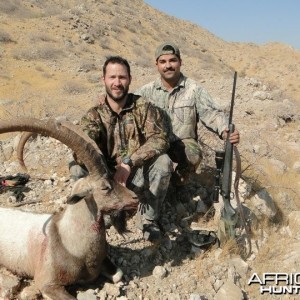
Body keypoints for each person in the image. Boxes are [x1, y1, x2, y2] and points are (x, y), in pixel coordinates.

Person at [70, 56, 173, 243]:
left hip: (136, 176)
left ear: (130, 79)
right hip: (107, 181)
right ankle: (96, 216)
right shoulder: (94, 115)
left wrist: (128, 163)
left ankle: (148, 218)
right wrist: (103, 170)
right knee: (77, 169)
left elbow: (160, 139)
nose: (117, 83)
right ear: (104, 80)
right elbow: (81, 145)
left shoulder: (143, 107)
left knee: (163, 162)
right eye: (112, 77)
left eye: (122, 77)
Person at [135, 42, 240, 188]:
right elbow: (126, 105)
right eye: (163, 61)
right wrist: (106, 99)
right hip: (156, 143)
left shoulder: (194, 89)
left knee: (193, 154)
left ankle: (176, 184)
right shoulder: (146, 91)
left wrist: (225, 129)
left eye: (172, 60)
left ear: (180, 62)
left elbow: (211, 112)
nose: (168, 65)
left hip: (182, 143)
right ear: (157, 64)